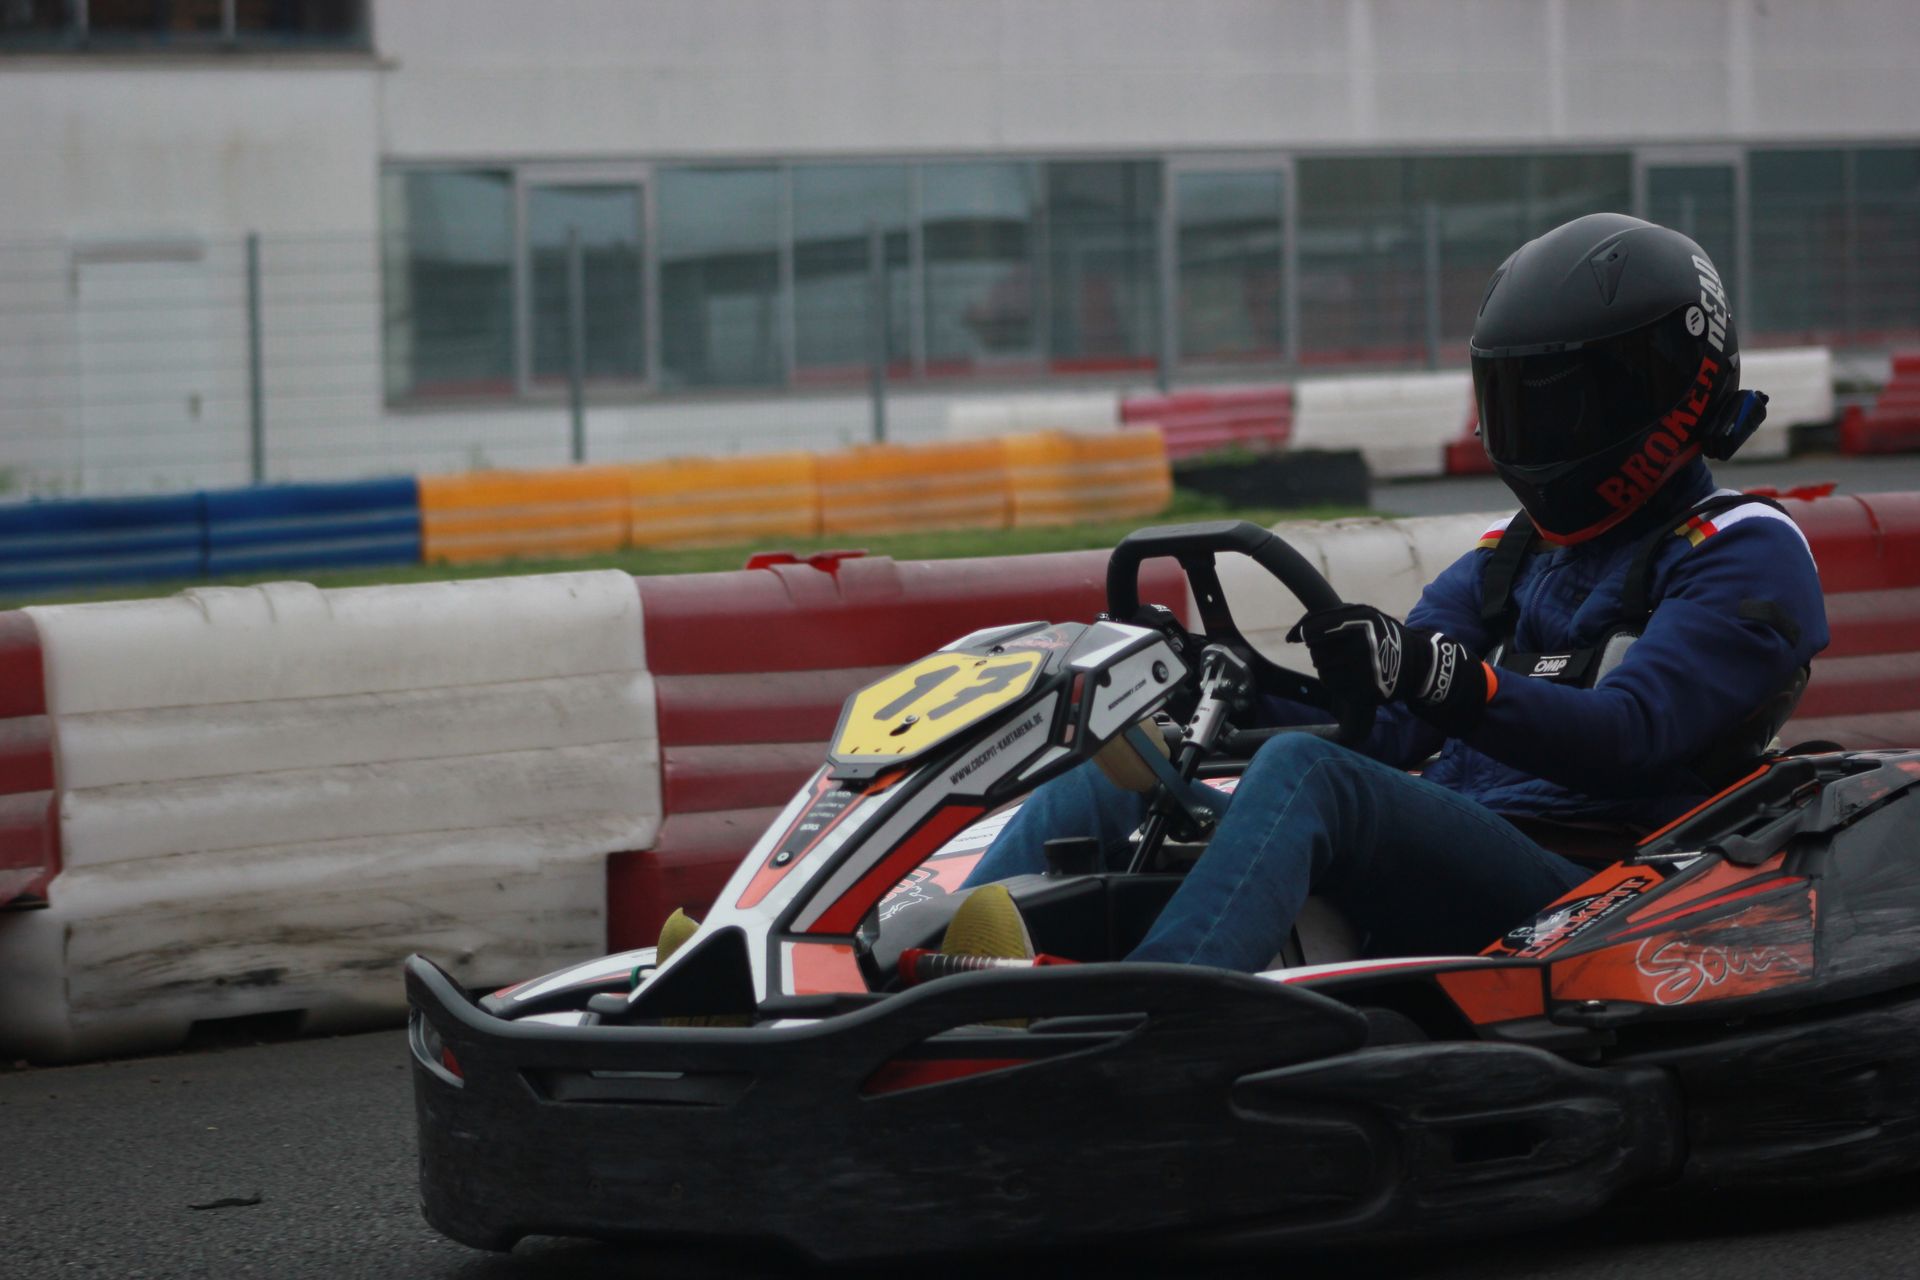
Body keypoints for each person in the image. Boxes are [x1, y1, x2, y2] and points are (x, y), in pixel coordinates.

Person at [950, 212, 1830, 971]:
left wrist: (1443, 677)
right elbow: (1384, 727)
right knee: (1118, 768)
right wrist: (1226, 679)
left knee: (1308, 776)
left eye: (1560, 404)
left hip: (1598, 892)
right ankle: (942, 983)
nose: (1532, 430)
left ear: (1664, 392)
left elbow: (1630, 736)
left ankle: (1160, 1010)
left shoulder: (1744, 549)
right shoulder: (1510, 558)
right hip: (1457, 849)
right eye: (1515, 400)